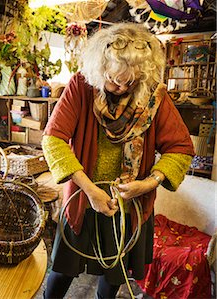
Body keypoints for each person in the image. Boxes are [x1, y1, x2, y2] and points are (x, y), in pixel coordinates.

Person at [42, 23, 195, 299]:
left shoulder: (154, 96)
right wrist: (90, 190)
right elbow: (53, 140)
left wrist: (148, 184)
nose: (122, 87)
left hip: (130, 205)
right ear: (100, 70)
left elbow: (180, 148)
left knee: (115, 273)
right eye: (114, 79)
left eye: (131, 80)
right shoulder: (81, 86)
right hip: (84, 197)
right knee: (63, 268)